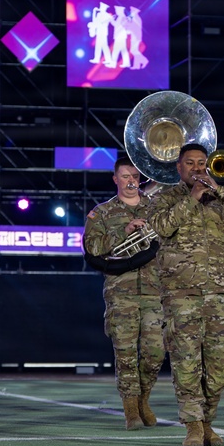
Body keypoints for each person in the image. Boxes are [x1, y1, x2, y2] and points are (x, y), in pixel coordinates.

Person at [147, 143, 224, 446]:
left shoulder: (220, 198)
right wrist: (192, 199)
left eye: (202, 162)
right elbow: (162, 227)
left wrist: (219, 191)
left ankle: (208, 421)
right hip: (181, 294)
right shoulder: (164, 199)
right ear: (179, 168)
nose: (197, 167)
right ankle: (193, 424)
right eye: (190, 163)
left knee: (219, 364)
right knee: (186, 362)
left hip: (219, 294)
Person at [82, 156, 166, 431]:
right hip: (121, 293)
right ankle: (131, 411)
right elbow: (92, 248)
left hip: (155, 291)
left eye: (135, 175)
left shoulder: (156, 208)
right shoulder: (102, 212)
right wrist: (124, 232)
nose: (131, 180)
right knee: (126, 354)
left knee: (154, 353)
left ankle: (144, 400)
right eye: (125, 175)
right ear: (115, 179)